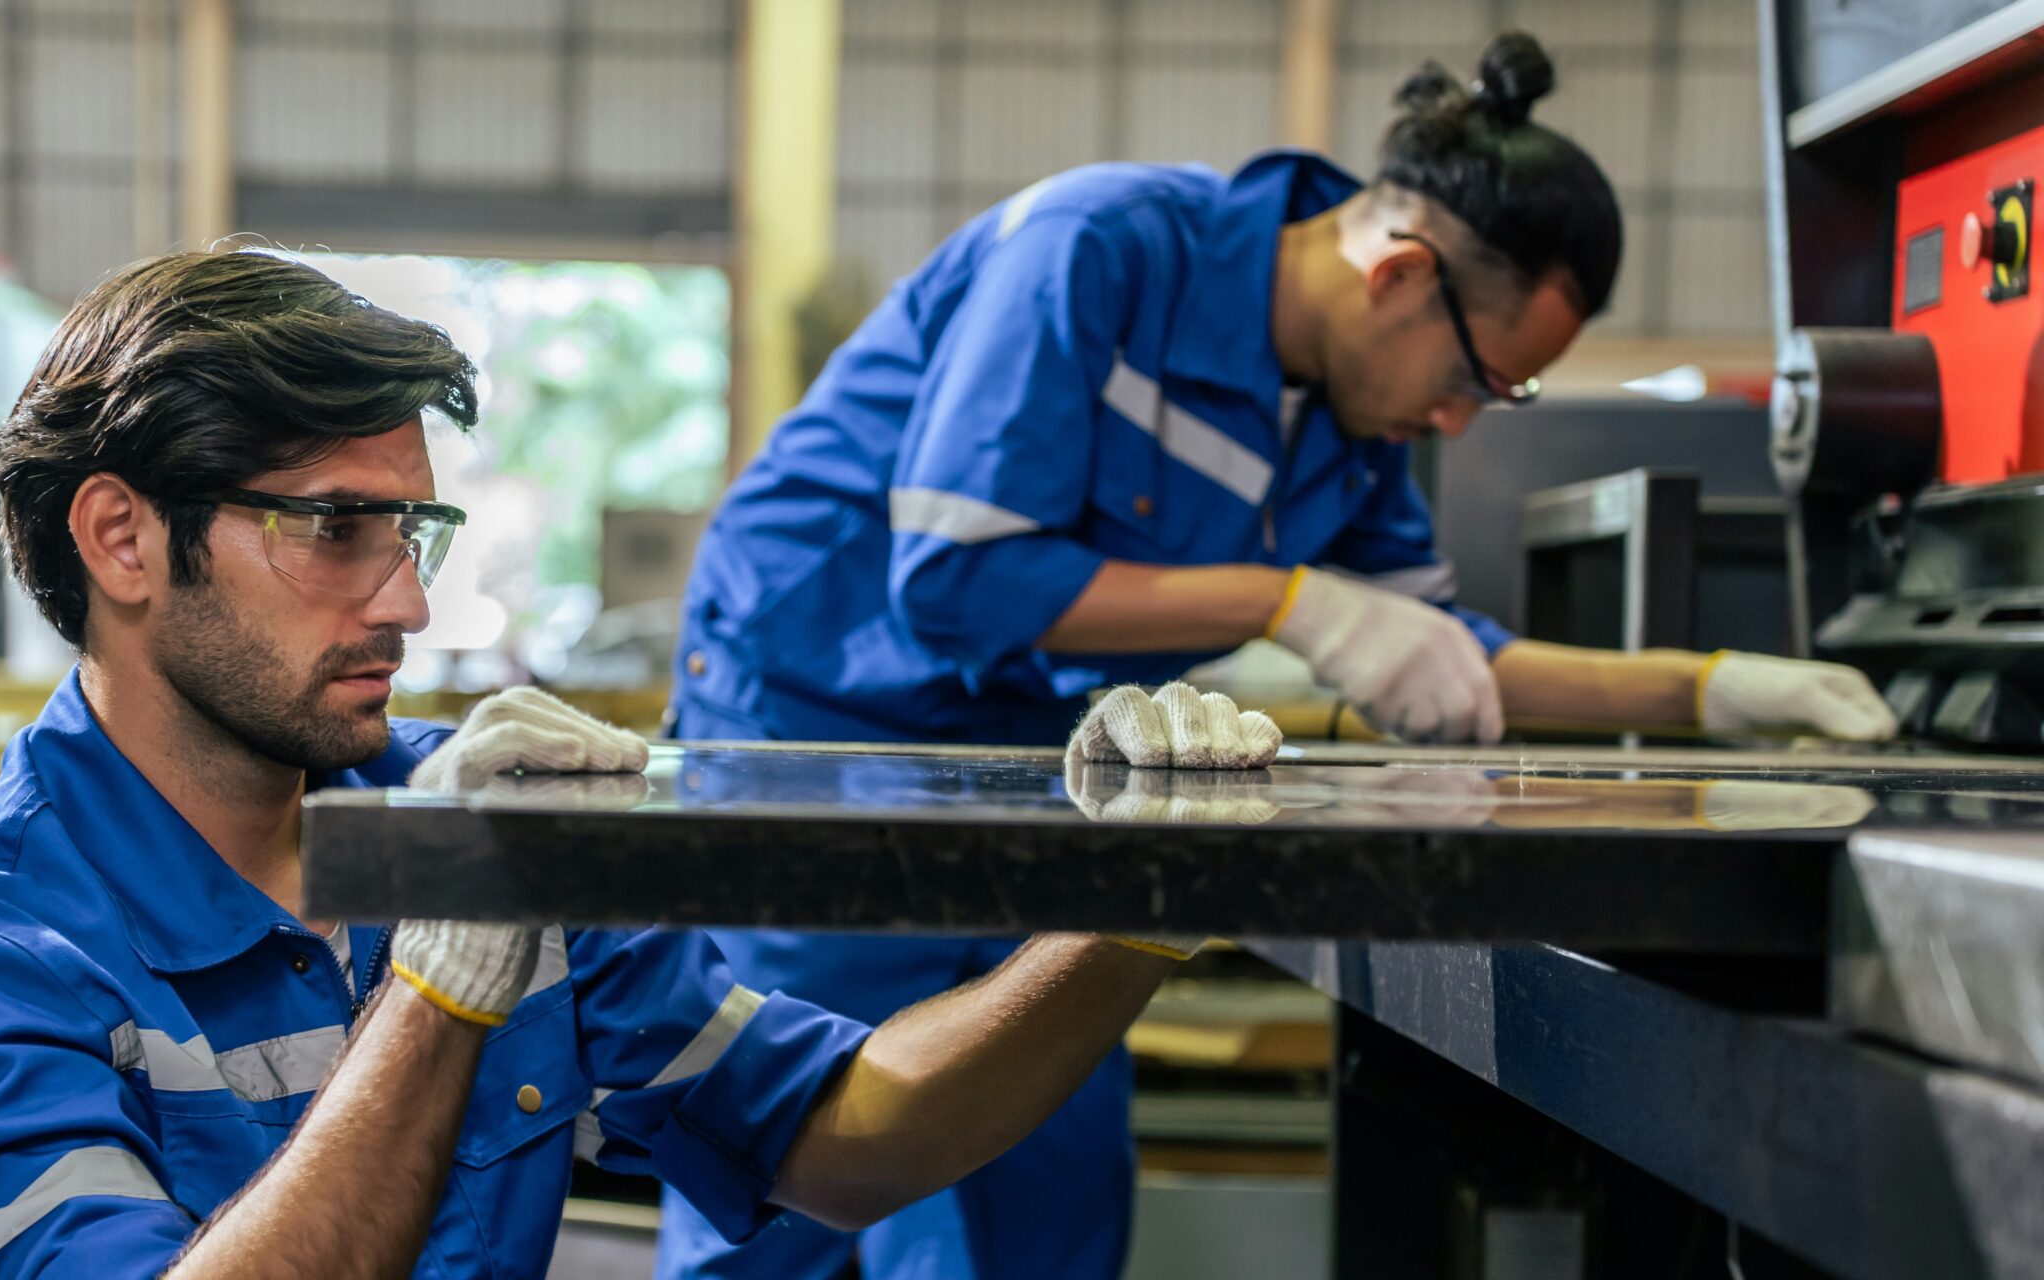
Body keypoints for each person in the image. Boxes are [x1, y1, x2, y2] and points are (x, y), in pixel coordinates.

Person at [658, 32, 1898, 1280]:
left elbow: (1443, 655)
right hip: (817, 712)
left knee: (1042, 1168)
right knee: (799, 1157)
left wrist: (1711, 687)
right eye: (1475, 379)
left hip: (1032, 750)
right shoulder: (1097, 247)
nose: (1457, 420)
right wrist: (1287, 599)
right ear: (1399, 272)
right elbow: (953, 576)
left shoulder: (1347, 424)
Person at [0, 248, 1220, 1280]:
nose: (407, 603)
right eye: (335, 530)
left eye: (412, 535)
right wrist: (440, 985)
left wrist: (1126, 913)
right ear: (122, 539)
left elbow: (839, 1139)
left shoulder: (461, 827)